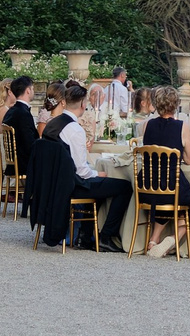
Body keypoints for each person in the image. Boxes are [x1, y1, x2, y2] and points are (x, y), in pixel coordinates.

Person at [50, 80, 133, 251]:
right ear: (82, 104)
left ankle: (85, 234)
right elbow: (82, 171)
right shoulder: (75, 129)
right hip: (72, 185)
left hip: (54, 182)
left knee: (103, 186)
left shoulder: (53, 124)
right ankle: (107, 235)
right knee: (124, 186)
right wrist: (98, 174)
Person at [136, 85, 190, 257]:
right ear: (176, 105)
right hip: (171, 186)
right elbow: (189, 159)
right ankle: (173, 239)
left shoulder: (146, 125)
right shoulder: (182, 127)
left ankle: (153, 241)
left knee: (166, 198)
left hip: (147, 186)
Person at [0, 74, 40, 186]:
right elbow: (29, 144)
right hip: (23, 162)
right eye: (32, 89)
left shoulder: (11, 111)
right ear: (28, 91)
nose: (33, 91)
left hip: (14, 161)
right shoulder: (22, 113)